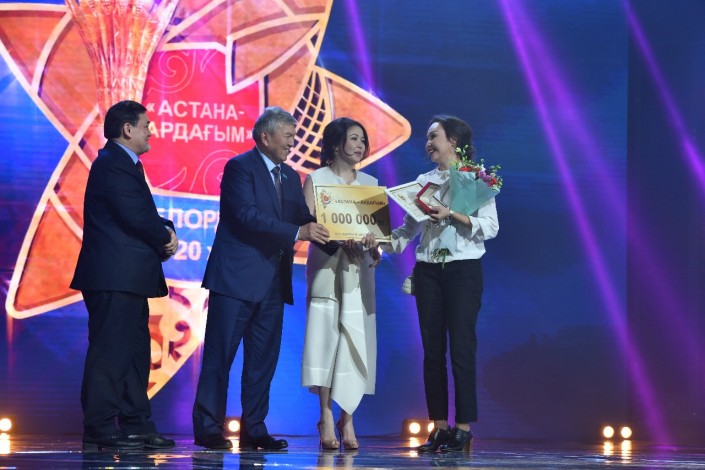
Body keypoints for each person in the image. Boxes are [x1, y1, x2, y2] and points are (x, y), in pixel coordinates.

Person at [193, 106, 330, 450]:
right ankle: (209, 428)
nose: (293, 143)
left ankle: (254, 429)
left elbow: (303, 217)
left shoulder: (291, 176)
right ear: (265, 136)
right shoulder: (240, 167)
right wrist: (298, 231)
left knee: (262, 361)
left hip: (272, 282)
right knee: (219, 358)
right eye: (288, 136)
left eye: (295, 136)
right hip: (235, 280)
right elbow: (245, 216)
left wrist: (343, 233)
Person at [382, 115, 498, 452]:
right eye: (428, 137)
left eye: (434, 136)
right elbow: (408, 231)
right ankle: (439, 427)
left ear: (454, 142)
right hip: (429, 271)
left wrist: (452, 215)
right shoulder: (424, 181)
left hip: (463, 271)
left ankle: (463, 428)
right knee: (432, 352)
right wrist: (377, 242)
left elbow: (490, 227)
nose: (428, 143)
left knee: (461, 348)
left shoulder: (476, 178)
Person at [71, 100, 179, 450]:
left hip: (128, 278)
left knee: (134, 355)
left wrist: (165, 228)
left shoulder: (124, 164)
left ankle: (136, 424)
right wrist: (165, 235)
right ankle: (100, 426)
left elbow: (139, 212)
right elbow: (133, 214)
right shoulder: (112, 164)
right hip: (112, 277)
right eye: (146, 125)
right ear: (128, 129)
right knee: (110, 353)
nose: (151, 131)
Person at [301, 118, 381, 451]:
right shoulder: (316, 179)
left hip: (358, 271)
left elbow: (379, 238)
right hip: (327, 267)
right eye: (353, 138)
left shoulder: (370, 184)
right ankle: (325, 414)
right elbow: (306, 224)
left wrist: (372, 244)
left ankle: (348, 418)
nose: (360, 145)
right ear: (336, 144)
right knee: (324, 340)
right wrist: (336, 238)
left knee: (354, 341)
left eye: (363, 139)